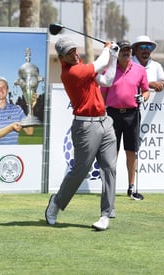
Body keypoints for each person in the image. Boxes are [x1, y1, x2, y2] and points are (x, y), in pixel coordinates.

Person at [45, 37, 119, 231]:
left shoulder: (82, 67)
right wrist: (107, 50)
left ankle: (105, 215)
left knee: (110, 167)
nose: (75, 54)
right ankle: (57, 202)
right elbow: (100, 63)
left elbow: (107, 80)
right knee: (81, 171)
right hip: (86, 127)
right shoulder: (72, 73)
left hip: (105, 122)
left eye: (74, 50)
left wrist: (114, 56)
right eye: (69, 53)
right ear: (61, 58)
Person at [101, 40, 150, 200]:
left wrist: (142, 98)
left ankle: (131, 187)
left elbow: (146, 91)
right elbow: (102, 95)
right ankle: (110, 187)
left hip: (132, 114)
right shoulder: (109, 69)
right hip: (112, 114)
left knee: (131, 151)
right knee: (111, 152)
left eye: (128, 50)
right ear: (117, 52)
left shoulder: (140, 70)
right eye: (123, 50)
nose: (126, 53)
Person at [0, 76, 34, 145]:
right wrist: (11, 127)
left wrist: (30, 106)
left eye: (4, 87)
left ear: (7, 90)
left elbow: (30, 131)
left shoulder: (17, 109)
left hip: (11, 154)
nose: (0, 90)